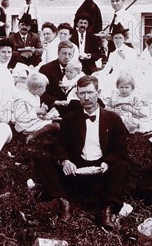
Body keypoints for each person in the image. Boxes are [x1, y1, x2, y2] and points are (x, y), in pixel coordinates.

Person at [35, 75, 129, 230]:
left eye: (90, 92)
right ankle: (63, 201)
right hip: (76, 168)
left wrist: (107, 162)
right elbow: (59, 146)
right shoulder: (69, 119)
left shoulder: (113, 118)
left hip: (102, 169)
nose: (86, 97)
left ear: (98, 92)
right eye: (82, 93)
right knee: (42, 160)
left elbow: (120, 149)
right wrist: (65, 161)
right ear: (77, 95)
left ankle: (107, 209)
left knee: (122, 166)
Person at [14, 72, 60, 143]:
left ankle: (39, 131)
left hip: (34, 122)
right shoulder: (22, 99)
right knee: (56, 126)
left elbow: (37, 112)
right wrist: (37, 112)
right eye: (44, 88)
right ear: (35, 90)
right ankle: (33, 135)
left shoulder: (36, 97)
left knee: (56, 123)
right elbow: (20, 117)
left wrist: (43, 113)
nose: (45, 90)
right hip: (25, 126)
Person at [39, 41, 80, 114]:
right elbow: (40, 93)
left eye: (70, 54)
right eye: (64, 53)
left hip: (73, 106)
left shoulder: (76, 69)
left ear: (73, 55)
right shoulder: (46, 69)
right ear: (58, 53)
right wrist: (56, 102)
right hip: (54, 107)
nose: (67, 57)